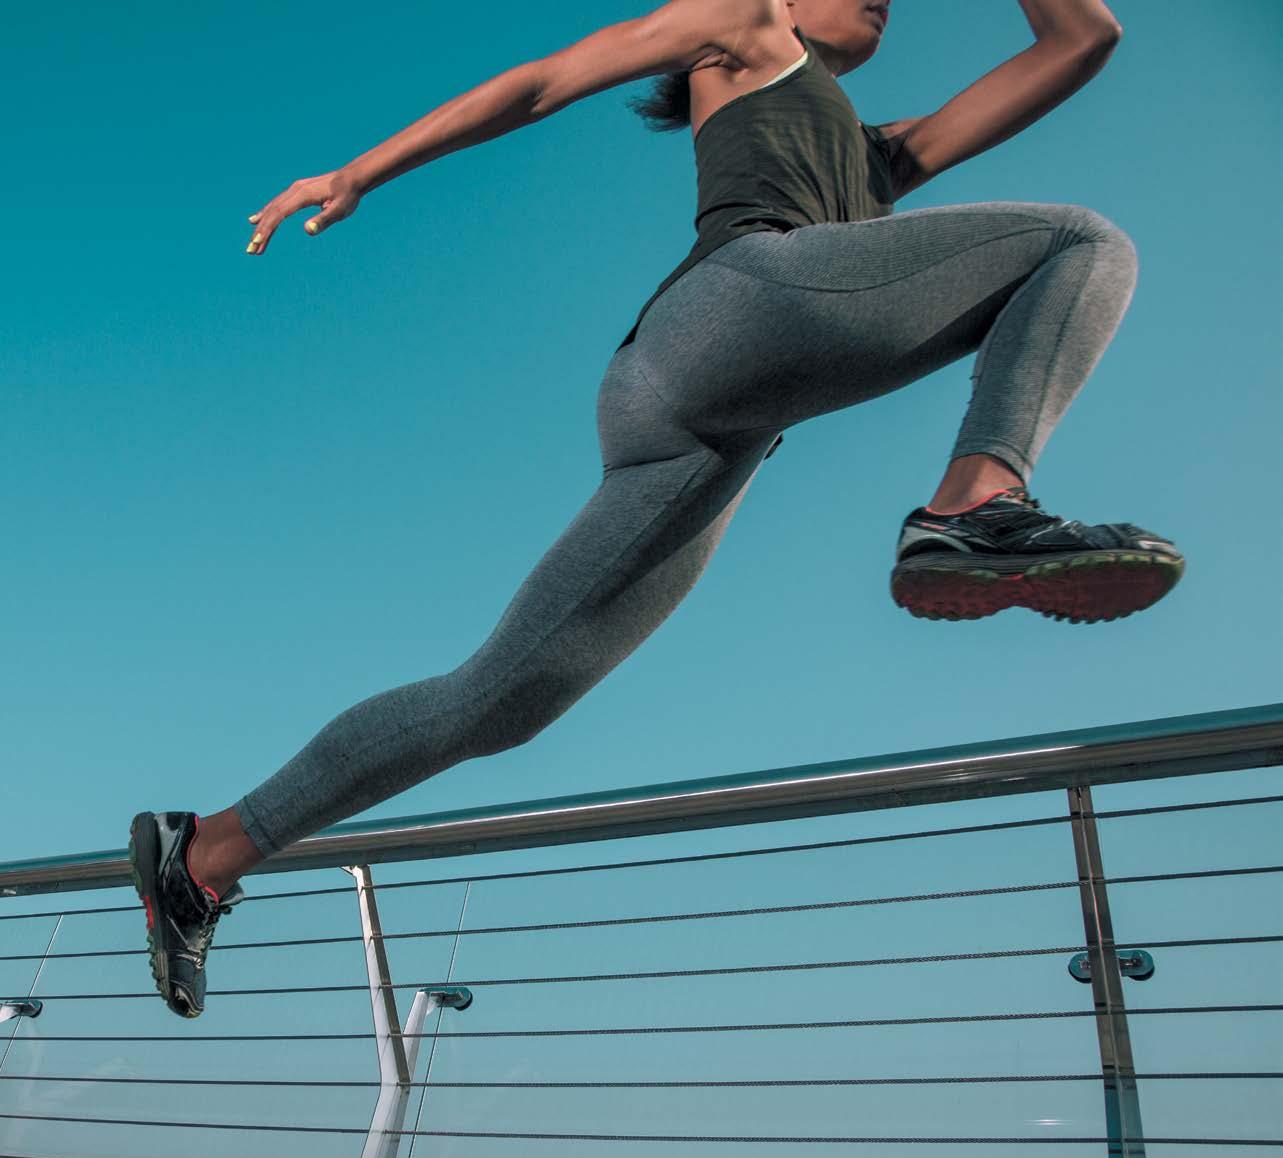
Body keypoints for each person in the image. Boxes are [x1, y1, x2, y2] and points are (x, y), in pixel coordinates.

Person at [129, 0, 1184, 1018]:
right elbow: (543, 81)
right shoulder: (745, 23)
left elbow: (1079, 36)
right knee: (1079, 241)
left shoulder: (881, 159)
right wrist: (358, 171)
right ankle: (974, 504)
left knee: (504, 697)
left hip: (700, 420)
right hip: (726, 314)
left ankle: (205, 852)